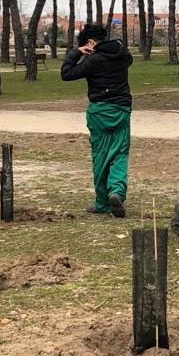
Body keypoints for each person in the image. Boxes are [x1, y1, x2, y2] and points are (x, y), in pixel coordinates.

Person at [61, 24, 134, 218]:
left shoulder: (93, 60)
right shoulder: (123, 55)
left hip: (100, 110)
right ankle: (117, 190)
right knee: (120, 152)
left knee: (101, 154)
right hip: (121, 109)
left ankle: (102, 202)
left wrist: (76, 52)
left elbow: (66, 74)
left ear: (90, 42)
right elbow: (127, 57)